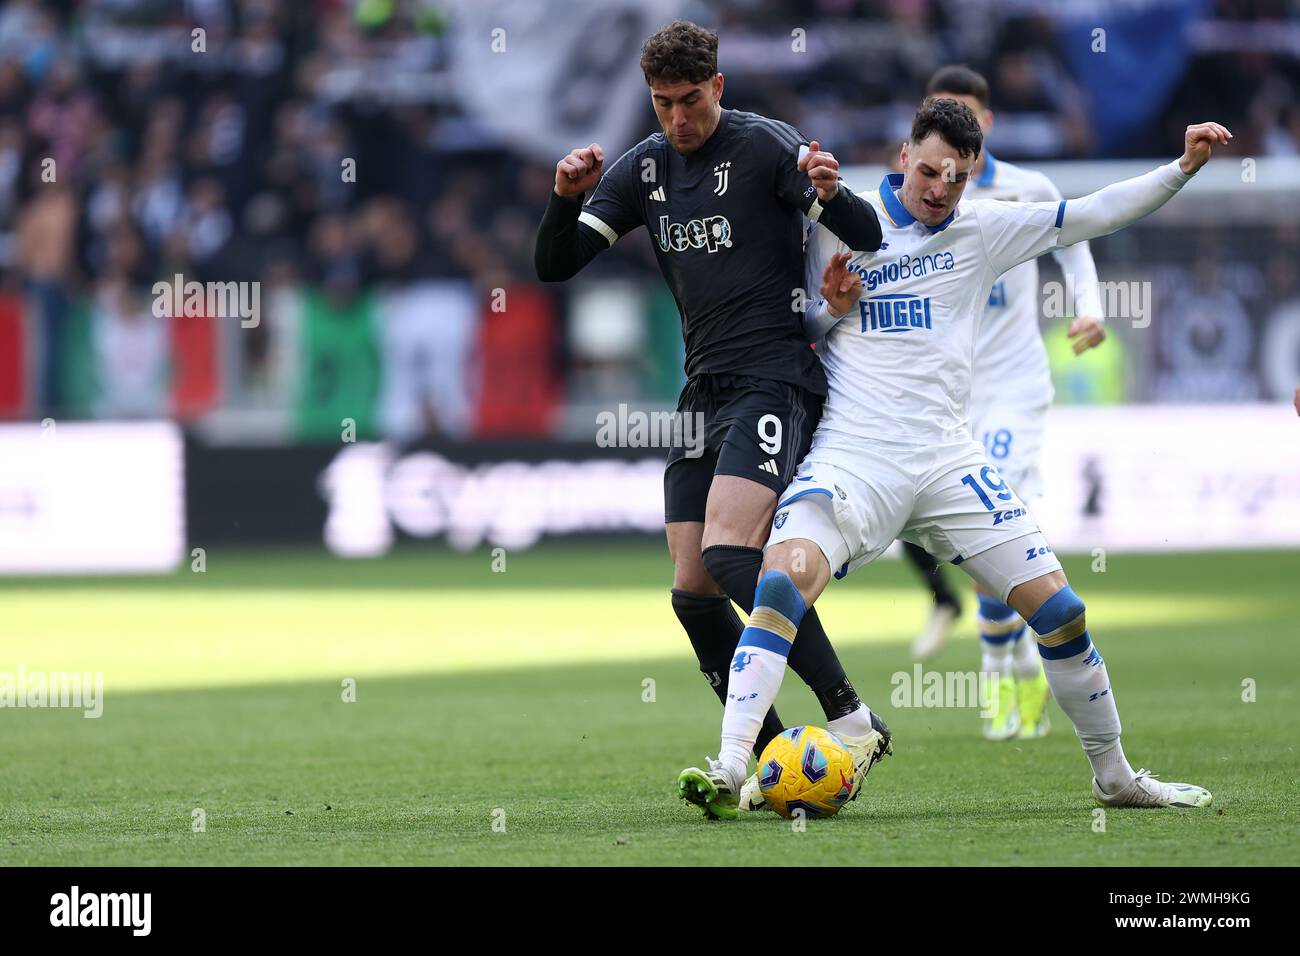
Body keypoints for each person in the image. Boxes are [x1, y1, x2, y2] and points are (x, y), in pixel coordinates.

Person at [679, 96, 1229, 818]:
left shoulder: (982, 229)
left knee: (1063, 613)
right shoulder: (830, 219)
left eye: (959, 177)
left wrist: (1182, 168)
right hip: (854, 460)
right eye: (931, 171)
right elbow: (785, 325)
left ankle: (1116, 778)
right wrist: (826, 311)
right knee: (780, 587)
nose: (941, 189)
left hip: (947, 461)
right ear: (904, 156)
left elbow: (1094, 212)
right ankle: (728, 766)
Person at [534, 20, 891, 802]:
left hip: (775, 378)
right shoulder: (643, 170)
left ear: (718, 88)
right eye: (661, 104)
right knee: (693, 594)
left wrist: (833, 194)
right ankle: (770, 763)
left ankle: (853, 718)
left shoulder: (766, 147)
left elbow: (866, 234)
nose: (677, 119)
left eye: (690, 101)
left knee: (734, 554)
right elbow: (554, 265)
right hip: (702, 392)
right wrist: (565, 201)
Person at [907, 65, 1108, 745]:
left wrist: (1090, 308)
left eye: (968, 118)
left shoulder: (1029, 188)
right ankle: (1016, 656)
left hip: (1015, 387)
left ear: (986, 123)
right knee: (983, 534)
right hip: (949, 392)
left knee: (993, 525)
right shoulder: (919, 197)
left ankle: (999, 673)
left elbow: (1073, 239)